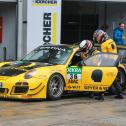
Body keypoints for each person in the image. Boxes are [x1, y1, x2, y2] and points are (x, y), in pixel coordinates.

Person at [93, 29, 123, 99]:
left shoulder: (104, 44)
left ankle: (100, 95)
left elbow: (104, 56)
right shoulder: (111, 41)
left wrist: (100, 63)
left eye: (97, 37)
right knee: (113, 79)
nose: (97, 39)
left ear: (100, 36)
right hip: (114, 62)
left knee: (102, 79)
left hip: (108, 63)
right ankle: (119, 94)